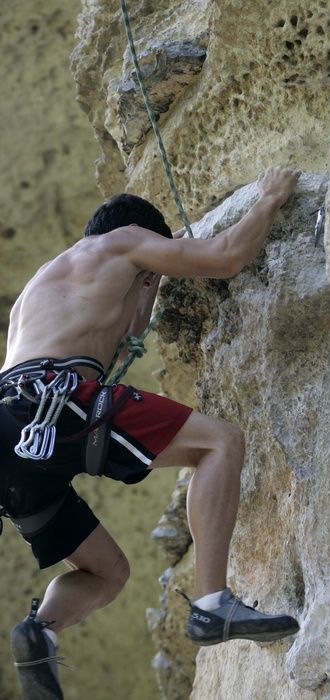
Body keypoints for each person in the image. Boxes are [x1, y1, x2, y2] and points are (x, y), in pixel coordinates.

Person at [0, 167, 301, 699]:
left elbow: (131, 329)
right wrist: (269, 200)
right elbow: (227, 256)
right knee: (219, 443)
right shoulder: (123, 241)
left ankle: (40, 630)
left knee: (107, 574)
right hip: (56, 400)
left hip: (12, 427)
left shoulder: (44, 284)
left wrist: (151, 277)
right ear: (140, 237)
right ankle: (212, 605)